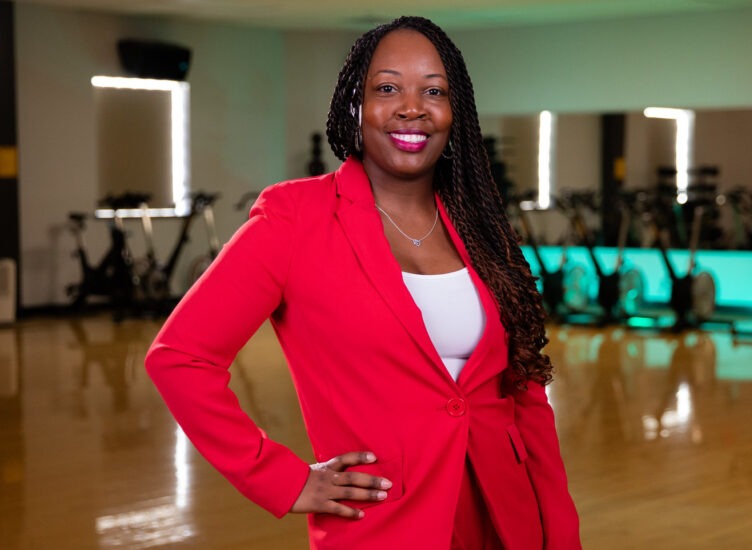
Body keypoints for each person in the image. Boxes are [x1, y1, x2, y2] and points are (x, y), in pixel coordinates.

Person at [145, 16, 580, 550]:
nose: (411, 107)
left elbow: (526, 396)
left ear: (455, 110)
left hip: (507, 519)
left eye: (434, 91)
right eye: (388, 88)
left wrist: (560, 534)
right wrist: (284, 479)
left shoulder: (481, 225)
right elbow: (179, 357)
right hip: (384, 524)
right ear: (356, 102)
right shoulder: (294, 217)